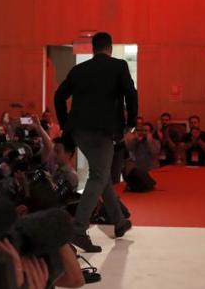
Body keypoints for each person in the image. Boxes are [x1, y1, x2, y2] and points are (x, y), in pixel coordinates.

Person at [55, 31, 138, 253]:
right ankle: (79, 229)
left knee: (100, 174)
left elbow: (58, 96)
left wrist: (66, 125)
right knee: (99, 176)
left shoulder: (78, 70)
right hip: (103, 131)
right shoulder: (119, 66)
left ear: (93, 49)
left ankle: (119, 222)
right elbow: (131, 94)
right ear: (109, 48)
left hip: (79, 132)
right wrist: (131, 122)